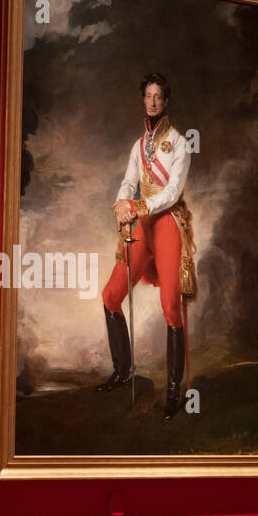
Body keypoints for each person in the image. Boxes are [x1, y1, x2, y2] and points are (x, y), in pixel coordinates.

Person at [96, 72, 197, 419]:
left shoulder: (181, 143)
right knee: (111, 295)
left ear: (166, 101)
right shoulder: (138, 147)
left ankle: (172, 393)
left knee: (170, 306)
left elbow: (171, 193)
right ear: (144, 100)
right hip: (141, 224)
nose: (153, 102)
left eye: (158, 97)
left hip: (167, 223)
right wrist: (122, 202)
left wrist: (138, 206)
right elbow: (128, 181)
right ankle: (123, 372)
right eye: (148, 96)